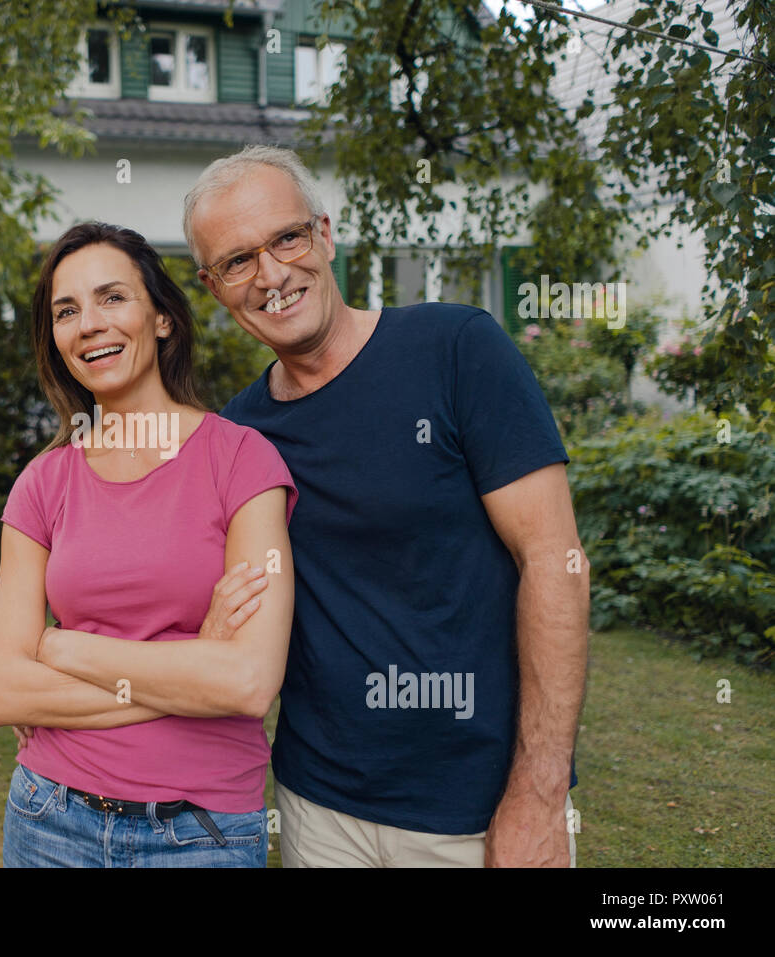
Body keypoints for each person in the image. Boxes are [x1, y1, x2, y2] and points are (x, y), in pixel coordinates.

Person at [179, 145, 588, 868]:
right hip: (317, 807)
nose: (272, 275)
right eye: (239, 261)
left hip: (475, 810)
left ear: (325, 234)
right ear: (213, 286)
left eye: (286, 238)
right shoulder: (240, 436)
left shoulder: (458, 349)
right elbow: (193, 602)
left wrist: (539, 790)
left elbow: (554, 562)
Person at [0, 221, 298, 867]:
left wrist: (60, 646)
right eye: (66, 311)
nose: (89, 323)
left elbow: (246, 682)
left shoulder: (241, 462)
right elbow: (4, 692)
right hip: (48, 817)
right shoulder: (44, 482)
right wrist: (190, 664)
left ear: (161, 319)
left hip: (198, 830)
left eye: (112, 297)